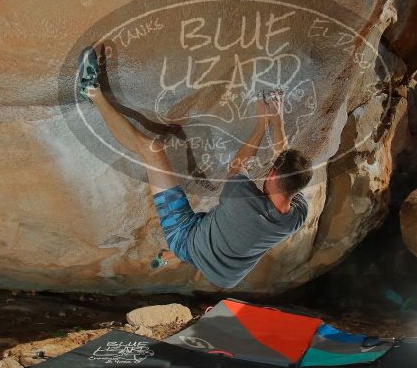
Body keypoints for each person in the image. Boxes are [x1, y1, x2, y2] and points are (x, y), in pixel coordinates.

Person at [79, 45, 311, 289]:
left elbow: (239, 166)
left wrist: (263, 124)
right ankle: (166, 257)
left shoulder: (243, 200)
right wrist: (278, 121)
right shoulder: (296, 216)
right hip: (228, 274)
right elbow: (284, 166)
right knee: (209, 240)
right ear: (297, 190)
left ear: (272, 175)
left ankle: (91, 92)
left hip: (186, 236)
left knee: (152, 150)